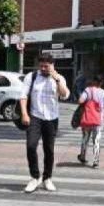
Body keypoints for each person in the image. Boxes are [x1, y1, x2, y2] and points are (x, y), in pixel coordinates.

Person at [19, 53, 70, 193]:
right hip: (35, 117)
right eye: (41, 66)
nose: (43, 68)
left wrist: (57, 80)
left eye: (46, 66)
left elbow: (65, 95)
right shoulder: (32, 77)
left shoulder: (59, 78)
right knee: (30, 146)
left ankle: (47, 178)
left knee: (49, 150)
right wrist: (24, 113)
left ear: (52, 65)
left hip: (52, 119)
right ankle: (34, 177)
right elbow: (23, 95)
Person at [77, 75, 104, 168]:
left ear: (93, 81)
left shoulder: (88, 90)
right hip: (99, 120)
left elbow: (80, 101)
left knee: (85, 138)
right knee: (96, 140)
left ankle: (82, 156)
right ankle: (96, 161)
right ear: (101, 83)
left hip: (87, 119)